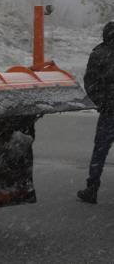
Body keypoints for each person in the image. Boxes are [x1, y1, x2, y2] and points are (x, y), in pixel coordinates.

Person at [78, 21, 114, 204]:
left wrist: (102, 103)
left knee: (100, 151)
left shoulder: (99, 54)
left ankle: (92, 188)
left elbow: (90, 84)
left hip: (109, 112)